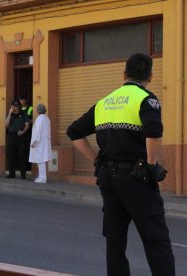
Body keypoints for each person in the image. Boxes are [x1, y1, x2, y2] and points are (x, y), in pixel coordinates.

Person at [66, 53, 175, 276]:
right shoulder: (146, 99)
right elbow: (154, 132)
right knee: (156, 240)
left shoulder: (104, 102)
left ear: (124, 74)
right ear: (150, 76)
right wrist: (152, 165)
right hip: (136, 178)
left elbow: (74, 131)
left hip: (108, 178)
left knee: (115, 241)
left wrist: (96, 159)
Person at [5, 99, 30, 179]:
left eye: (16, 106)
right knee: (11, 155)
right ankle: (11, 173)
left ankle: (23, 174)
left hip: (20, 137)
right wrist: (9, 113)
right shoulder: (10, 115)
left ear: (19, 107)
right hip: (11, 136)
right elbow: (6, 125)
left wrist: (22, 132)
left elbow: (27, 125)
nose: (14, 108)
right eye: (13, 106)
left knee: (21, 155)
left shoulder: (23, 114)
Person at [28, 104, 52, 183]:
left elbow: (37, 132)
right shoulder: (46, 118)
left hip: (40, 142)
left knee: (40, 160)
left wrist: (34, 142)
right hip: (45, 142)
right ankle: (41, 176)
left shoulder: (39, 119)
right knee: (42, 160)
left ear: (38, 110)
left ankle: (42, 178)